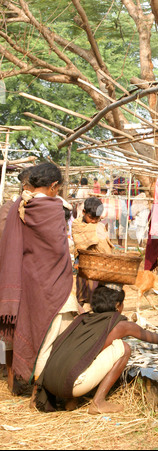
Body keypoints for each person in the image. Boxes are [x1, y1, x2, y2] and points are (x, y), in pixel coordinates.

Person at [0, 162, 79, 394]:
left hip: (24, 277)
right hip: (50, 282)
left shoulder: (18, 206)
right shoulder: (54, 208)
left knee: (23, 330)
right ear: (54, 186)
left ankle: (17, 385)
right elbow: (56, 248)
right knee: (50, 334)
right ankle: (41, 389)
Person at [34, 285, 158, 414]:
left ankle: (71, 400)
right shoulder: (121, 325)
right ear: (117, 305)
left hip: (49, 384)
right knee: (124, 348)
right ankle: (98, 402)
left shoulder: (83, 318)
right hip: (71, 385)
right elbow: (156, 338)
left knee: (88, 354)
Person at [72, 197, 114, 308]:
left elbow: (104, 244)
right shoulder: (77, 224)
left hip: (98, 262)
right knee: (81, 287)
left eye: (97, 218)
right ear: (84, 212)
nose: (94, 221)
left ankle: (94, 307)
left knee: (95, 288)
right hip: (82, 260)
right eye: (91, 218)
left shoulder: (100, 226)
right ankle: (80, 307)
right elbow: (79, 242)